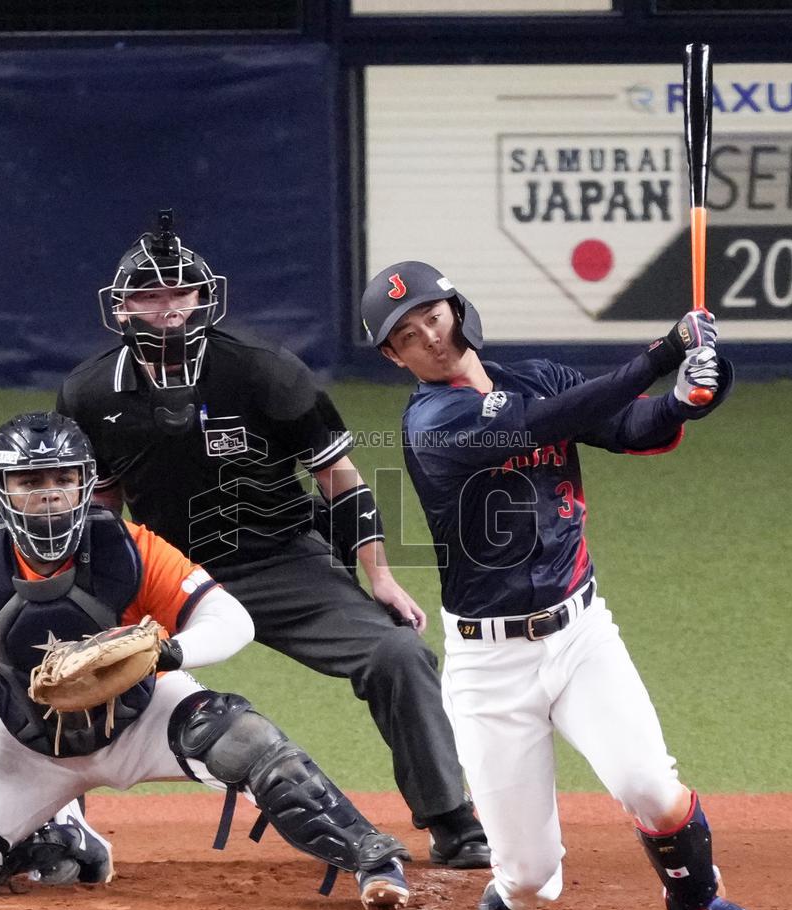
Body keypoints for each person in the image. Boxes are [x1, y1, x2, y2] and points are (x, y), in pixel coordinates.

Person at [360, 259, 775, 910]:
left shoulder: (538, 376)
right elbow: (540, 424)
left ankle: (698, 904)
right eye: (407, 334)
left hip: (581, 635)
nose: (428, 337)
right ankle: (514, 887)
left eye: (432, 316)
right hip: (489, 666)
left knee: (650, 784)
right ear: (394, 356)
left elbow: (630, 425)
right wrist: (664, 352)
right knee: (528, 873)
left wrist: (686, 397)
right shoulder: (433, 422)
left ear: (456, 311)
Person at [55, 211, 489, 868]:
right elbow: (104, 505)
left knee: (399, 655)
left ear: (205, 295)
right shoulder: (89, 393)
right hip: (169, 573)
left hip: (282, 560)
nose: (169, 308)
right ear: (120, 308)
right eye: (150, 294)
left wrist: (381, 578)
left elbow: (339, 479)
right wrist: (97, 597)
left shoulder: (261, 369)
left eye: (180, 292)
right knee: (72, 663)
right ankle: (59, 828)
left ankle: (451, 819)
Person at [0, 411, 410, 910]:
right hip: (28, 740)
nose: (49, 494)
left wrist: (168, 653)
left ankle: (372, 857)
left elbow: (231, 620)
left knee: (242, 740)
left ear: (85, 485)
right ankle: (60, 838)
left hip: (142, 712)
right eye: (30, 482)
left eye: (62, 478)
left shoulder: (130, 549)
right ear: (3, 490)